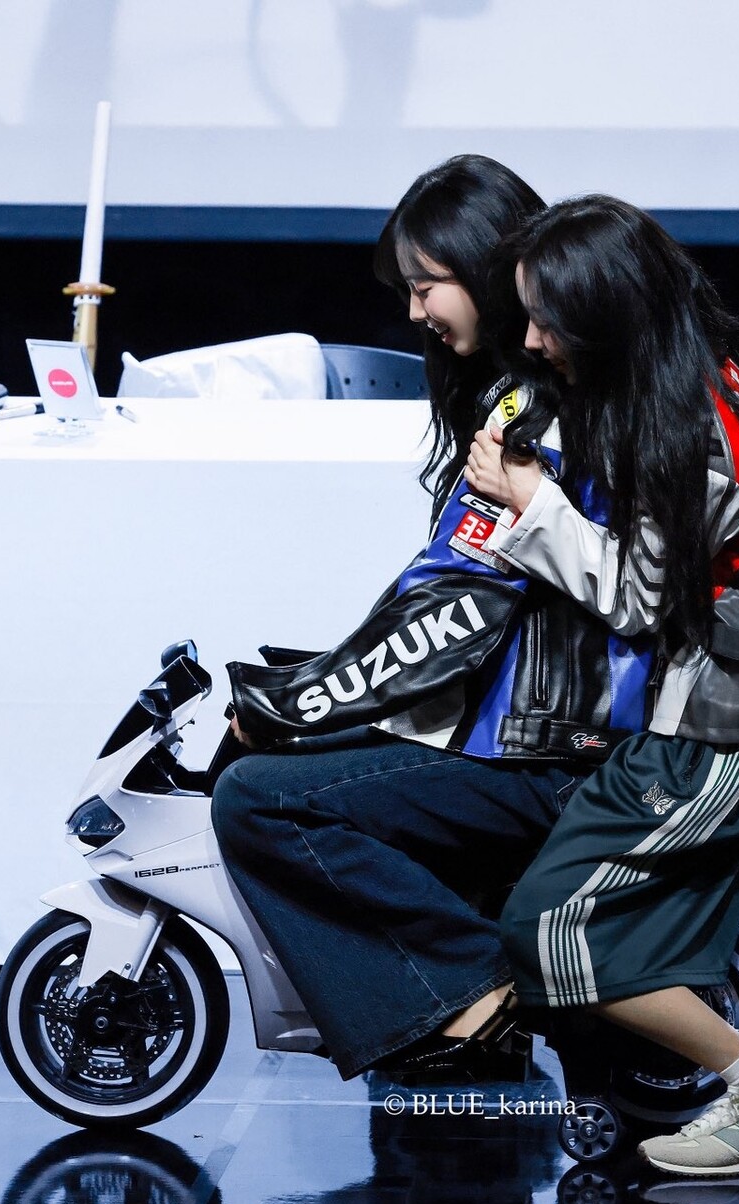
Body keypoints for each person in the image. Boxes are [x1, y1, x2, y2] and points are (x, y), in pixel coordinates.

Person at [211, 157, 654, 1080]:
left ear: (487, 269)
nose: (413, 312)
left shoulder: (531, 418)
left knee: (256, 797)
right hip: (531, 732)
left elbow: (454, 611)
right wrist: (315, 692)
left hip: (553, 754)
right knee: (292, 748)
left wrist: (293, 703)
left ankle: (474, 987)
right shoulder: (527, 396)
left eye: (426, 286)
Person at [463, 195, 739, 1176]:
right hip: (725, 695)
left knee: (548, 929)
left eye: (548, 320)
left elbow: (637, 597)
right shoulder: (692, 376)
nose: (533, 341)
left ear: (609, 312)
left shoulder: (689, 422)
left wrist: (529, 503)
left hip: (734, 718)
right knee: (622, 906)